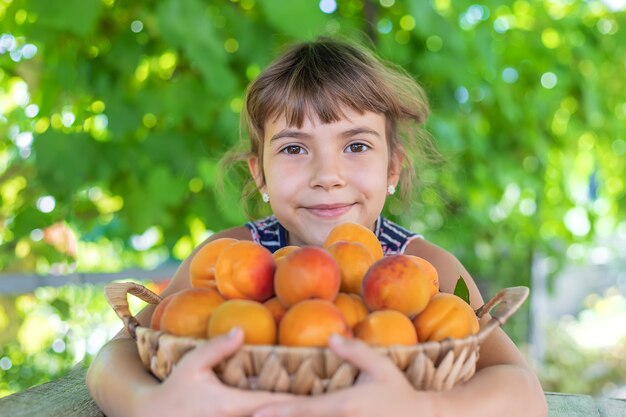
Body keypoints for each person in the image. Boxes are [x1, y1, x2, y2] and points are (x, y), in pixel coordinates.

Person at [87, 37, 547, 417]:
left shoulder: (425, 270)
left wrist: (426, 408)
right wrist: (151, 404)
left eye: (357, 145)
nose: (328, 175)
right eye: (293, 149)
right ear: (259, 174)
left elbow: (524, 394)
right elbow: (116, 357)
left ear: (393, 170)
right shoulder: (229, 259)